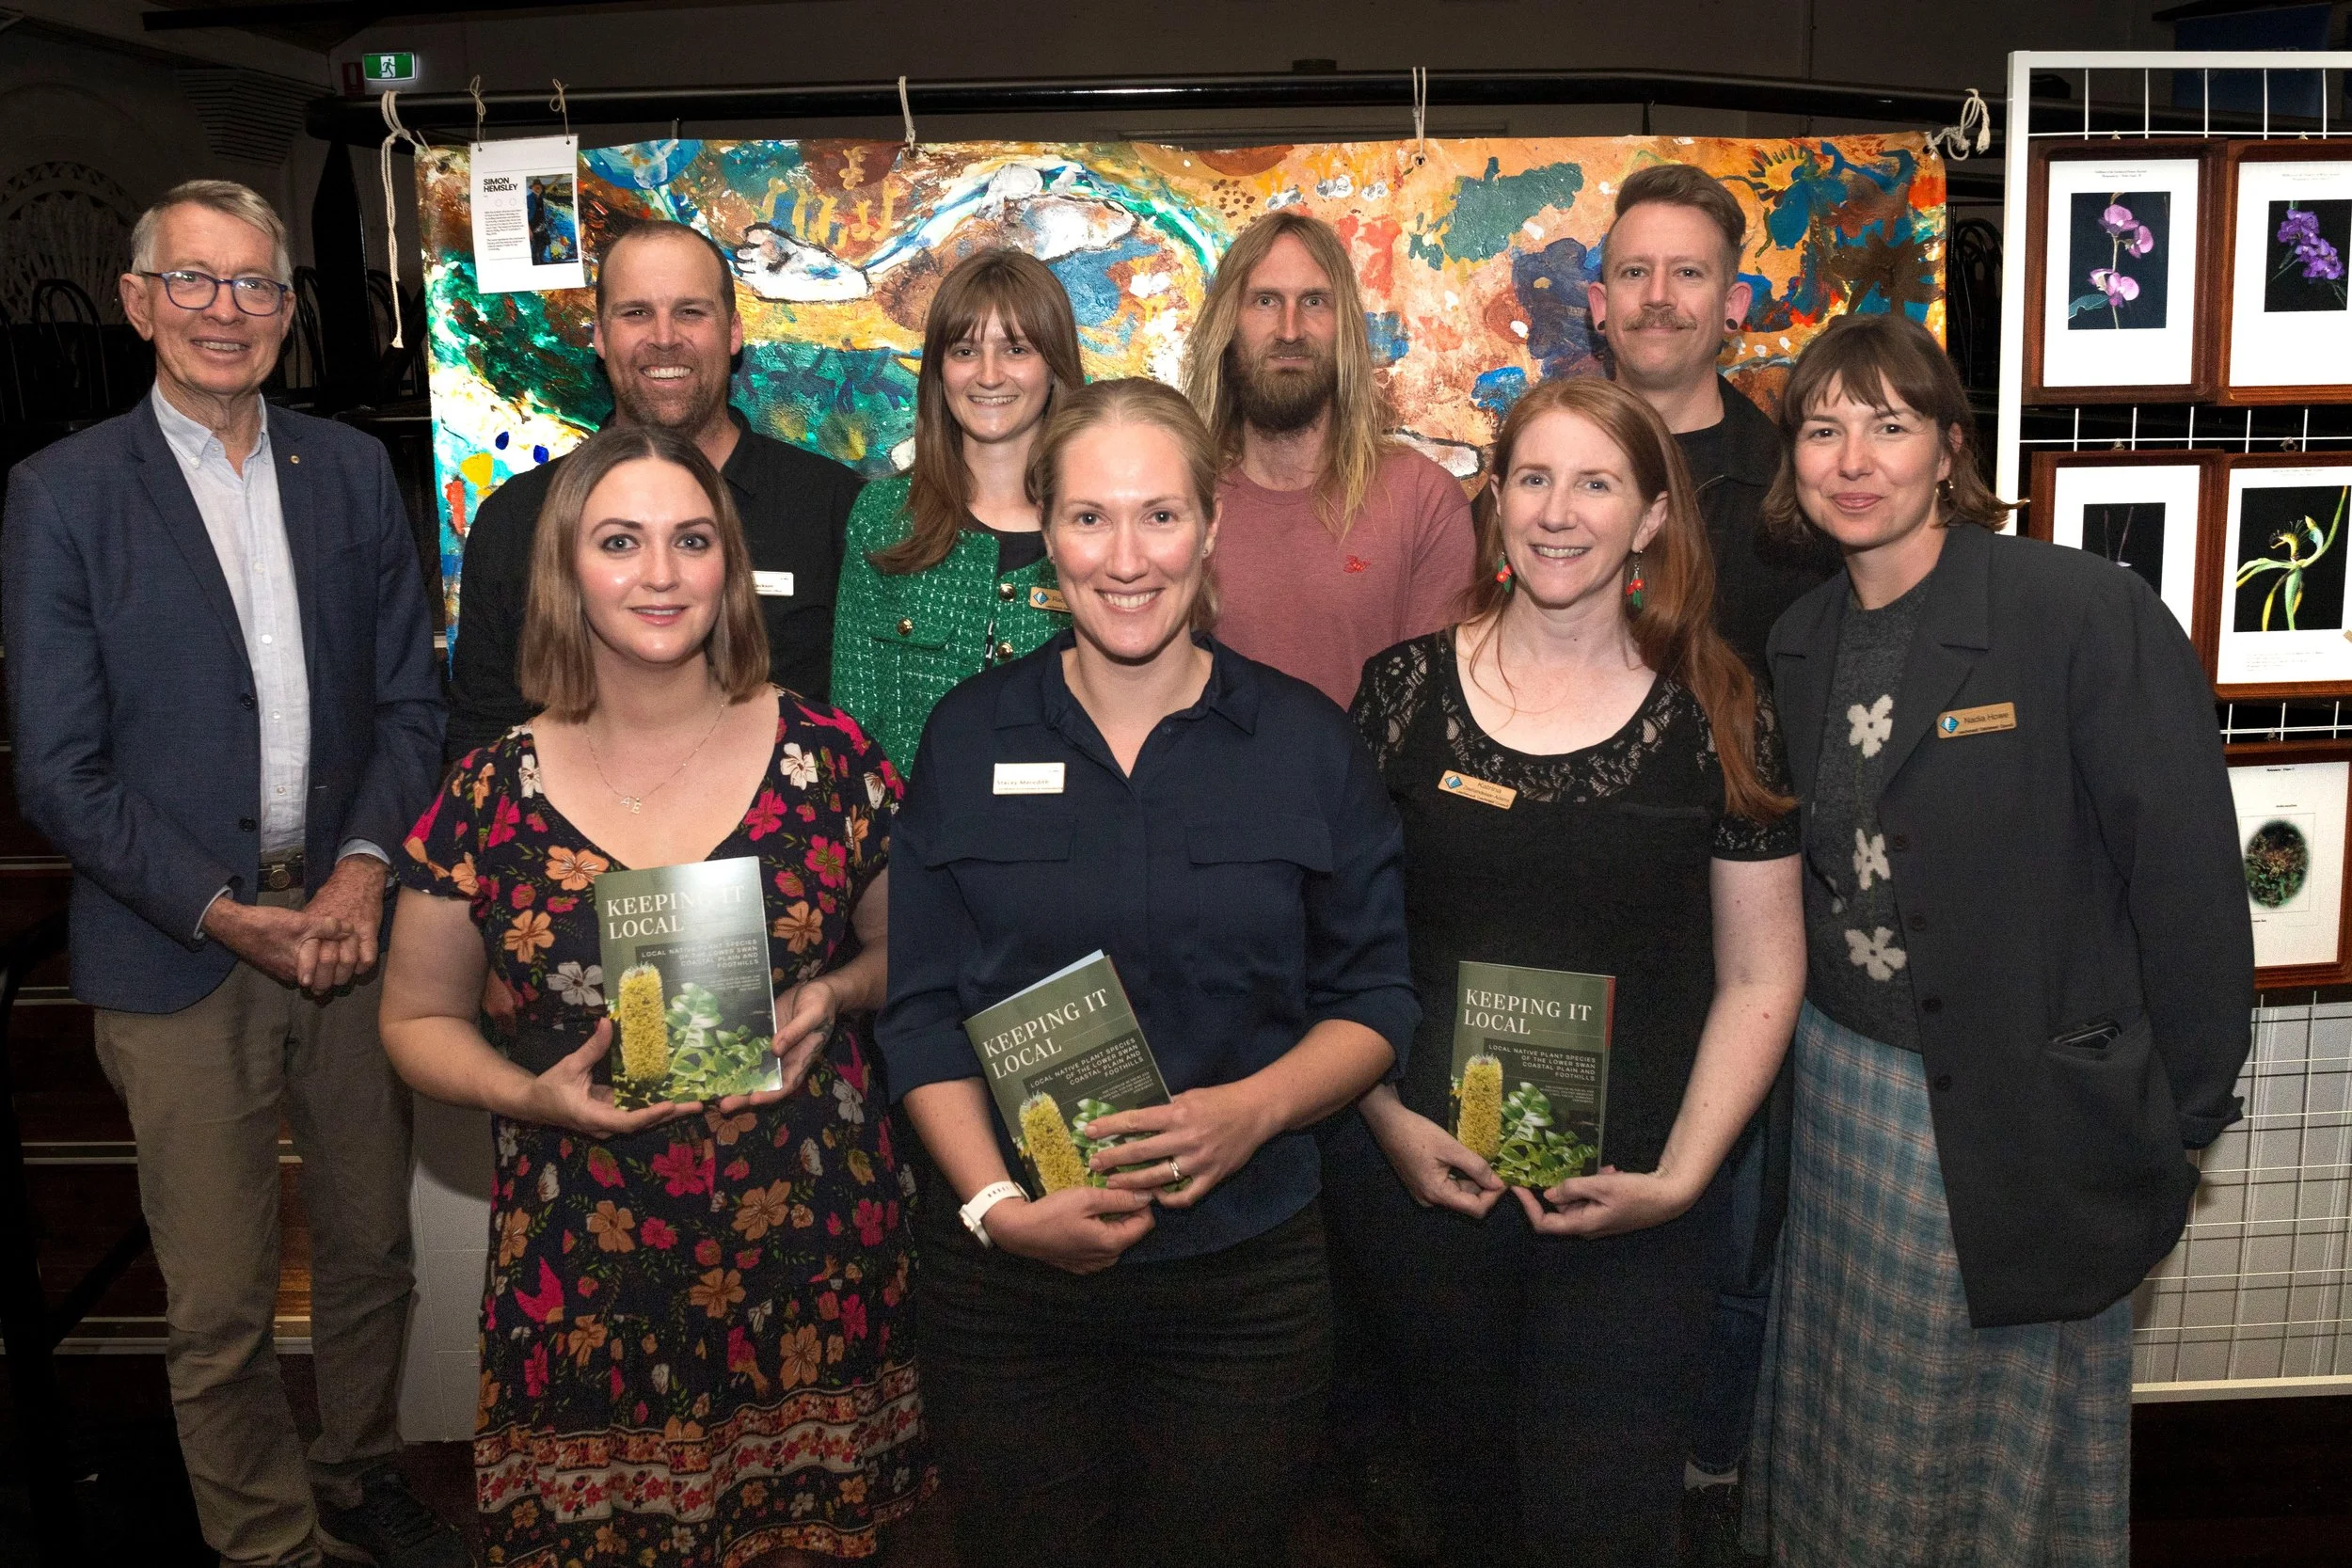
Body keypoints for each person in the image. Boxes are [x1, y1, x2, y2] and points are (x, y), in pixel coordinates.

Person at [878, 378, 1419, 1568]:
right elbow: (919, 1010)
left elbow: (1376, 995)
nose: (1126, 559)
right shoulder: (967, 736)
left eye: (1159, 516)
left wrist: (1252, 1110)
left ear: (1209, 526)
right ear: (1047, 533)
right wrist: (998, 1208)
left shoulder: (1305, 743)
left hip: (1242, 1279)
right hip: (1007, 1285)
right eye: (1090, 518)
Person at [1745, 313, 2254, 1566]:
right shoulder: (1800, 641)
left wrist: (2182, 1116)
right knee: (1855, 1419)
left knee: (1985, 1451)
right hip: (1844, 1092)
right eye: (1822, 429)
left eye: (1889, 424)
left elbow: (2188, 880)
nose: (1853, 459)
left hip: (2025, 1113)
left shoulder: (2074, 610)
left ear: (1949, 448)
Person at [1, 181, 458, 1568]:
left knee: (375, 1246)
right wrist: (222, 909)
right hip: (177, 945)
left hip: (349, 930)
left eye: (255, 284)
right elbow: (59, 768)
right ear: (138, 302)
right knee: (218, 1294)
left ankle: (358, 1468)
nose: (225, 309)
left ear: (285, 309)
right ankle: (265, 1542)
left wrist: (364, 872)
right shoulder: (63, 493)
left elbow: (412, 706)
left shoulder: (349, 472)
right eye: (193, 281)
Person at [381, 425, 930, 1564]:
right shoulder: (488, 792)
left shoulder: (829, 759)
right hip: (586, 1258)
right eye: (620, 541)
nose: (661, 573)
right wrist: (530, 1094)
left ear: (728, 563)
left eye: (690, 539)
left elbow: (907, 953)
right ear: (566, 569)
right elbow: (415, 1019)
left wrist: (834, 991)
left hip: (809, 1245)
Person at [1327, 374, 1804, 1568]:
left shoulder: (1720, 710)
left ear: (1652, 515)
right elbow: (1330, 937)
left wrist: (1680, 1178)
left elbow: (1761, 973)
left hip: (1634, 1202)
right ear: (1494, 497)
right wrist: (1381, 1116)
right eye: (1532, 477)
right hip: (1428, 1187)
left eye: (1596, 483)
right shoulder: (1399, 693)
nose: (1557, 511)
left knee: (1606, 1520)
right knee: (1459, 1512)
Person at [1588, 161, 1840, 1558]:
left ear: (1733, 302)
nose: (1659, 296)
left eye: (1688, 272)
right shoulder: (1554, 456)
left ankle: (1706, 1478)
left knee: (1735, 1223)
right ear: (1597, 300)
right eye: (1634, 270)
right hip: (1583, 907)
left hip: (1751, 914)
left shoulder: (1794, 488)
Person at [446, 217, 863, 759]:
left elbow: (867, 721)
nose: (664, 338)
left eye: (690, 312)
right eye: (636, 313)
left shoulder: (834, 507)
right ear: (599, 336)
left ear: (733, 332)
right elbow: (480, 735)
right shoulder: (519, 516)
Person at [1182, 211, 1474, 708]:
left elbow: (1430, 717)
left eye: (1314, 302)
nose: (1289, 330)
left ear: (1346, 328)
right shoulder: (1178, 500)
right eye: (1265, 301)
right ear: (1227, 325)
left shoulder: (1422, 501)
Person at [831, 247, 1081, 768]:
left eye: (1016, 349)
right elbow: (853, 727)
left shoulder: (1097, 527)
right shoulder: (883, 517)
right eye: (965, 351)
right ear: (938, 371)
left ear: (1054, 366)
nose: (988, 376)